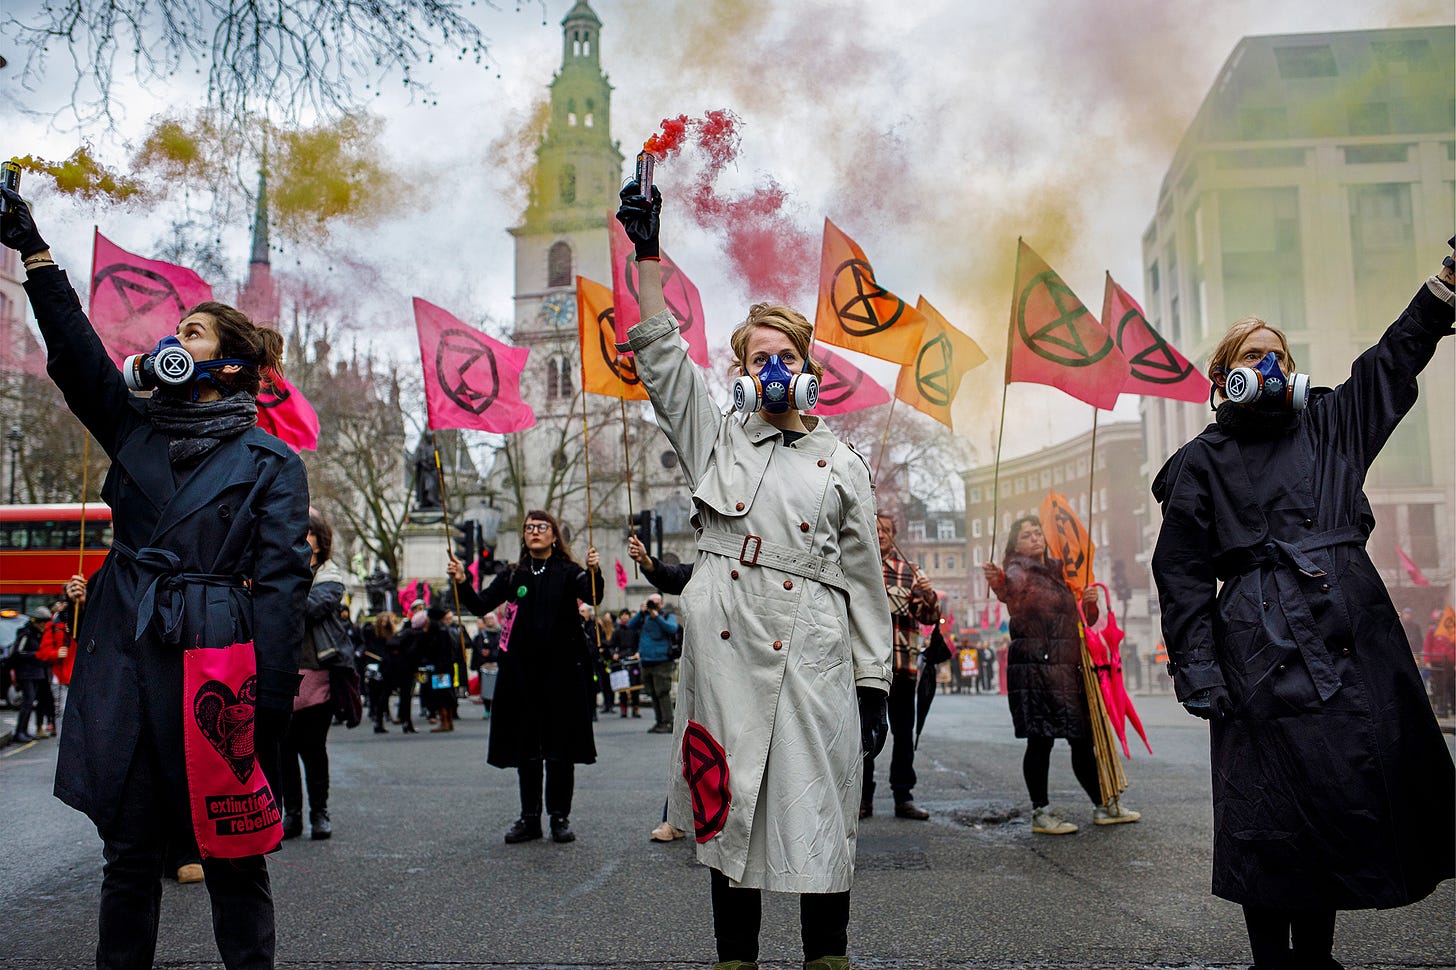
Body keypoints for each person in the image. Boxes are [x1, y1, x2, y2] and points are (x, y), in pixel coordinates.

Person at [2, 187, 311, 970]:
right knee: (129, 851)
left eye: (193, 331)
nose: (174, 339)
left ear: (229, 360)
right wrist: (35, 254)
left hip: (212, 666)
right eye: (175, 330)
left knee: (232, 856)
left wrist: (269, 705)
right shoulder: (135, 429)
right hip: (127, 653)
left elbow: (280, 588)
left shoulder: (271, 463)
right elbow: (75, 356)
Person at [1151, 251, 1456, 970]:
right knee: (1268, 812)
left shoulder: (1328, 426)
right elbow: (1183, 573)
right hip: (1257, 651)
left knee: (1336, 801)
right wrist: (1198, 668)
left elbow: (1391, 362)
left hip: (1352, 638)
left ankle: (1316, 959)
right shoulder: (1202, 461)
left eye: (1279, 355)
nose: (1271, 366)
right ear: (1227, 373)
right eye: (1254, 356)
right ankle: (1271, 961)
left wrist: (1441, 293)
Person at [617, 181, 891, 970]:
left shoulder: (841, 461)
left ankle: (826, 958)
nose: (773, 368)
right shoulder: (717, 439)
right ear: (740, 373)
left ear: (809, 369)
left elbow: (866, 581)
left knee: (820, 808)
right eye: (758, 357)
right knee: (724, 803)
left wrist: (874, 680)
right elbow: (662, 360)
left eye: (786, 356)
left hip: (813, 651)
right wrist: (646, 258)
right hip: (728, 647)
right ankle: (734, 959)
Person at [445, 510, 602, 844]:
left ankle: (559, 817)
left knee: (560, 750)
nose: (534, 532)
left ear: (554, 535)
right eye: (529, 528)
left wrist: (594, 571)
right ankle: (529, 817)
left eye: (541, 527)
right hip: (522, 675)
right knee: (526, 749)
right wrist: (461, 580)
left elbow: (592, 595)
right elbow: (479, 604)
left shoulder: (567, 570)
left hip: (561, 675)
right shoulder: (512, 573)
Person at [983, 516, 1141, 835]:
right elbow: (1010, 593)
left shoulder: (1059, 571)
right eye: (1026, 535)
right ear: (1015, 545)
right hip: (1036, 670)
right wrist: (999, 582)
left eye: (1037, 532)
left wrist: (1089, 606)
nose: (1035, 538)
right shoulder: (1017, 571)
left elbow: (1078, 620)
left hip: (1067, 668)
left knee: (1081, 739)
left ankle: (1103, 805)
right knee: (1040, 740)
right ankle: (1041, 813)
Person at [863, 512, 940, 820]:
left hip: (902, 664)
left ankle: (903, 796)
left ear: (894, 535)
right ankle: (862, 798)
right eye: (876, 528)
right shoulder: (858, 565)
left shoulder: (910, 572)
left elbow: (929, 618)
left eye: (886, 530)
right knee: (864, 733)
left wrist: (929, 594)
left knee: (903, 732)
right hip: (867, 665)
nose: (880, 534)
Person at [280, 509, 351, 841]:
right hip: (281, 669)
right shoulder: (283, 570)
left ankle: (319, 813)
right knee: (285, 749)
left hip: (316, 670)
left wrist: (281, 592)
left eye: (307, 533)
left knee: (312, 747)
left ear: (320, 543)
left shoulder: (329, 575)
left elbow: (310, 608)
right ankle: (291, 814)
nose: (301, 539)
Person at [628, 593, 680, 735]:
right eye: (651, 602)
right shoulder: (644, 617)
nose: (653, 605)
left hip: (662, 661)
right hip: (646, 661)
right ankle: (659, 721)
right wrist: (640, 612)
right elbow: (630, 625)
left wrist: (656, 616)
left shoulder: (667, 617)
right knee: (652, 693)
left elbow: (672, 628)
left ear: (661, 604)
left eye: (655, 603)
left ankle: (669, 722)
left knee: (662, 692)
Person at [9, 607, 51, 743]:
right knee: (27, 702)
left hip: (36, 673)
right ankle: (19, 731)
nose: (43, 625)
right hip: (26, 673)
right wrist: (36, 655)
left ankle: (24, 731)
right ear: (35, 621)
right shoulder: (26, 634)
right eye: (41, 622)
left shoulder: (40, 634)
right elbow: (18, 653)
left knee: (31, 702)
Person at [365, 613, 399, 733]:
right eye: (383, 620)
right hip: (375, 664)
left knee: (384, 693)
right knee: (376, 692)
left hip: (386, 665)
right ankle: (377, 718)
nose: (384, 622)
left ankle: (382, 717)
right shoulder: (372, 631)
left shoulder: (390, 632)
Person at [608, 607, 642, 719]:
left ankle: (635, 707)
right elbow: (611, 645)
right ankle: (623, 708)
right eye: (622, 615)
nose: (624, 617)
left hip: (633, 658)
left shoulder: (635, 630)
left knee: (635, 685)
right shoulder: (617, 631)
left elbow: (640, 643)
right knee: (622, 685)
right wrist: (614, 654)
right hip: (622, 658)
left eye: (626, 615)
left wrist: (638, 652)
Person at [471, 612, 502, 718]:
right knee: (485, 689)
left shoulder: (500, 632)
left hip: (497, 663)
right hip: (485, 665)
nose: (489, 621)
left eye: (491, 618)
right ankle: (487, 709)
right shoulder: (481, 634)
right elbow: (478, 649)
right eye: (487, 619)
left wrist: (493, 653)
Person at [1424, 610, 1454, 717]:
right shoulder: (1432, 631)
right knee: (1439, 685)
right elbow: (1427, 646)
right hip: (1436, 662)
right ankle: (1439, 708)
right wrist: (1427, 661)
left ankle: (1447, 709)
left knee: (1448, 685)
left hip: (1449, 662)